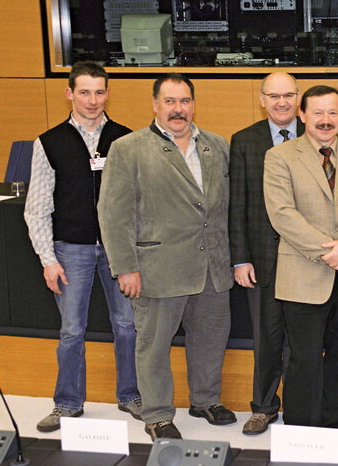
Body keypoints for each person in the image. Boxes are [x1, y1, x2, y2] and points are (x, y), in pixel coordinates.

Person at [98, 73, 237, 440]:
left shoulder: (216, 145)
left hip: (212, 267)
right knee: (154, 344)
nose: (179, 109)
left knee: (210, 337)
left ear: (194, 104)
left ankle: (206, 400)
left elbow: (226, 208)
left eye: (185, 101)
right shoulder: (129, 148)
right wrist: (125, 267)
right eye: (170, 101)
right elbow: (114, 213)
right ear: (155, 104)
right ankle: (157, 414)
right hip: (157, 268)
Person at [263, 85, 338, 451]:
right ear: (302, 115)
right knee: (303, 358)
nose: (326, 120)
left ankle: (334, 422)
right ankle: (301, 431)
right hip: (303, 274)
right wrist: (328, 250)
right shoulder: (280, 156)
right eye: (318, 113)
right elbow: (282, 213)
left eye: (333, 113)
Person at [24, 61, 141, 432]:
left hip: (118, 250)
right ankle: (68, 403)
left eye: (100, 91)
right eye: (85, 92)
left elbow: (140, 202)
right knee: (72, 330)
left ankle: (131, 395)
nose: (93, 100)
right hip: (69, 250)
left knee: (127, 325)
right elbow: (38, 207)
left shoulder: (126, 139)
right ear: (70, 93)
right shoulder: (49, 142)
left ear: (108, 93)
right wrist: (47, 259)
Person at [229, 72, 304, 435]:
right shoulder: (244, 141)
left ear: (298, 97)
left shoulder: (317, 135)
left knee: (304, 339)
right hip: (261, 259)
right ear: (262, 100)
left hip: (308, 262)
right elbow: (237, 205)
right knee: (267, 338)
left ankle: (301, 406)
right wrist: (240, 258)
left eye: (288, 95)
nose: (281, 102)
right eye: (273, 96)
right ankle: (263, 407)